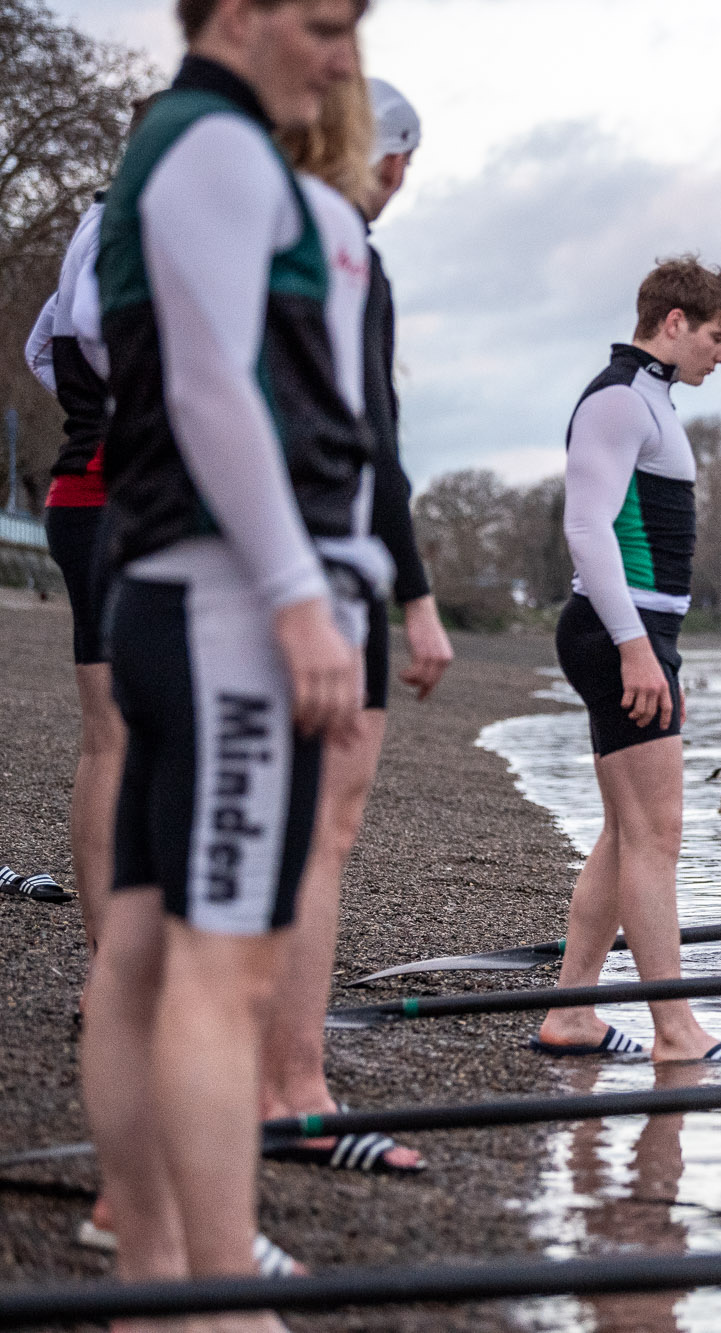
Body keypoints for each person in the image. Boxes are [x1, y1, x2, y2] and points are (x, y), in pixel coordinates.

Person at [85, 0, 378, 1311]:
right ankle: (216, 1295)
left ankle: (155, 1273)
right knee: (222, 968)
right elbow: (210, 384)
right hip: (223, 608)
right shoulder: (215, 146)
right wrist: (298, 597)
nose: (341, 54)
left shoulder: (179, 143)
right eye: (323, 23)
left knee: (148, 951)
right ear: (242, 15)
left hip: (176, 591)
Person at [254, 73, 450, 1174]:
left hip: (240, 560)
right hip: (317, 572)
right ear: (387, 161)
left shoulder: (249, 223)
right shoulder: (344, 253)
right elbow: (370, 436)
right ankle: (295, 1088)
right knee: (318, 840)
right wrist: (414, 597)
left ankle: (262, 1078)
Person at [532, 255, 721, 1063]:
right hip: (621, 632)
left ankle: (573, 1011)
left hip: (636, 634)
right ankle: (674, 1025)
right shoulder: (620, 399)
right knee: (657, 834)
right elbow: (586, 529)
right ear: (674, 322)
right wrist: (635, 648)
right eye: (718, 338)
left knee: (628, 833)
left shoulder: (648, 399)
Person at [19, 99, 158, 959]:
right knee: (131, 737)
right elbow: (110, 338)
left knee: (112, 737)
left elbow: (45, 345)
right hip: (121, 500)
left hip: (84, 491)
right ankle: (119, 968)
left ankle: (117, 963)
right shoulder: (131, 227)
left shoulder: (92, 226)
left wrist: (89, 414)